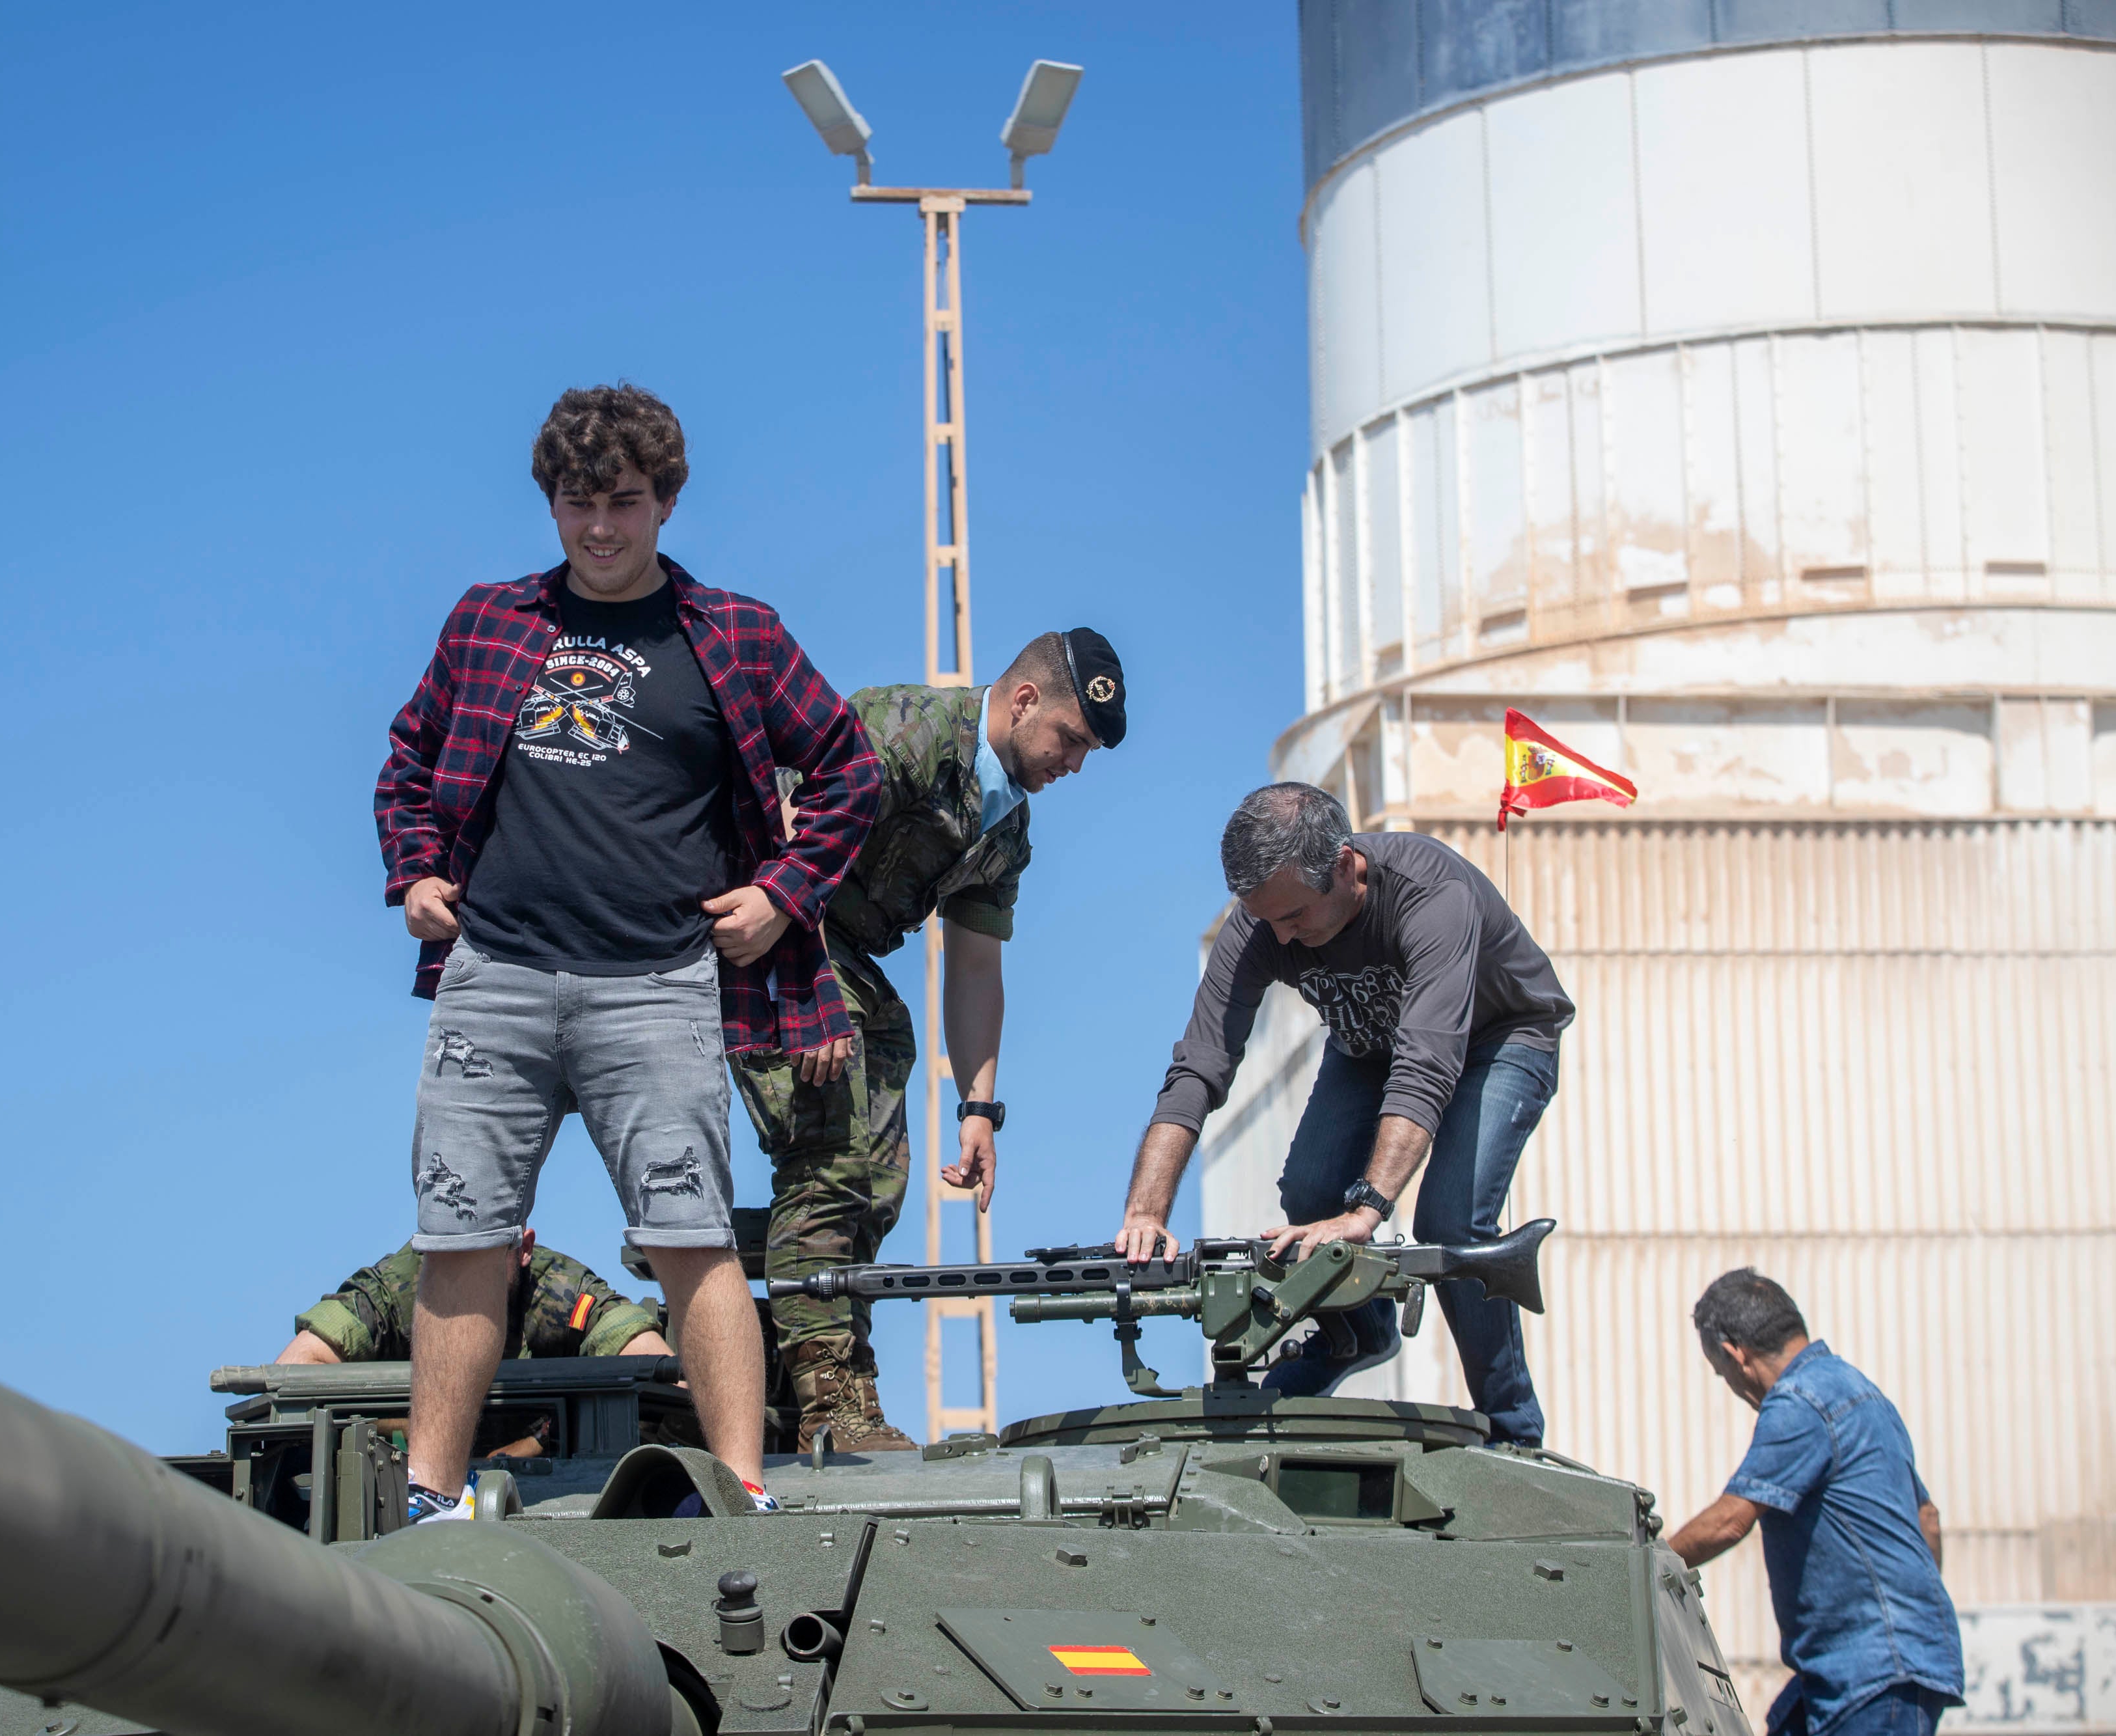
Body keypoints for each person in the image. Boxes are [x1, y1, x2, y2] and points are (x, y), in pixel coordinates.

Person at [374, 383, 879, 1521]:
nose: (600, 526)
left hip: (656, 986)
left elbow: (853, 768)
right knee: (460, 1237)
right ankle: (427, 1499)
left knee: (689, 1235)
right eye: (576, 501)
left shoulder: (736, 635)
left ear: (666, 502)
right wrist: (412, 873)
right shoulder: (490, 620)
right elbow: (408, 757)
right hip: (492, 978)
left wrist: (783, 895)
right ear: (549, 503)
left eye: (624, 501)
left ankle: (742, 1485)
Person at [738, 631, 1127, 1450]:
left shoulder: (1005, 831)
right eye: (1071, 740)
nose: (1075, 766)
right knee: (833, 1155)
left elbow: (975, 967)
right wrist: (805, 991)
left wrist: (979, 1108)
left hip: (839, 954)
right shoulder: (908, 732)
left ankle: (821, 1378)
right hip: (767, 934)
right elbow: (774, 842)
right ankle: (828, 1409)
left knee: (878, 1169)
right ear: (1023, 702)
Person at [1113, 782, 1571, 1444]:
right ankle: (1357, 1334)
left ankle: (1512, 1427)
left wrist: (1366, 1210)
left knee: (1450, 1220)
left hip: (1499, 1039)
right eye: (1265, 919)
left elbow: (1427, 1064)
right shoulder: (1261, 924)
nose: (1280, 938)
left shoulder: (1431, 895)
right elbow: (1199, 1066)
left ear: (1347, 867)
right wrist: (1146, 1211)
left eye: (1295, 918)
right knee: (1306, 1192)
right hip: (1369, 1046)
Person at [1669, 1270, 1963, 1736]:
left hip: (1872, 1673)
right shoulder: (1860, 1391)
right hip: (1886, 1663)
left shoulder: (1798, 1402)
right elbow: (1927, 1517)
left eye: (1720, 1371)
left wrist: (1646, 1560)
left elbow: (1730, 1520)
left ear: (1734, 1354)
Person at [274, 1228, 670, 1366]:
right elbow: (296, 1368)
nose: (471, 1268)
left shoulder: (556, 1290)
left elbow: (650, 1358)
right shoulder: (396, 1291)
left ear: (524, 1248)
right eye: (460, 1244)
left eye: (490, 1244)